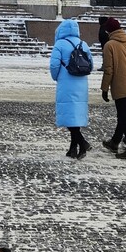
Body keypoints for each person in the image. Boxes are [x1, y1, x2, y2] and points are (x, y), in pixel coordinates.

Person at [49, 18, 94, 158]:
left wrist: (57, 77)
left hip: (66, 84)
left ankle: (83, 143)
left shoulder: (60, 44)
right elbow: (90, 64)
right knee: (75, 117)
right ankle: (73, 149)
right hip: (81, 84)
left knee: (69, 117)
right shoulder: (83, 44)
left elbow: (54, 65)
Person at [100, 16, 126, 160]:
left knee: (123, 117)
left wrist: (104, 89)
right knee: (123, 116)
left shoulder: (109, 45)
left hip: (120, 87)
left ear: (109, 31)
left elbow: (108, 70)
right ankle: (115, 142)